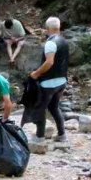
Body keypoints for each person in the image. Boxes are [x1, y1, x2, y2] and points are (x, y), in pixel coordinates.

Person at [29, 16, 69, 144]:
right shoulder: (64, 41)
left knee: (41, 108)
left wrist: (36, 73)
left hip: (49, 82)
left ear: (47, 29)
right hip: (62, 81)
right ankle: (62, 134)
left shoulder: (50, 43)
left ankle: (39, 137)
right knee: (54, 107)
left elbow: (49, 62)